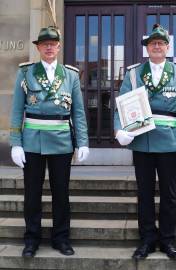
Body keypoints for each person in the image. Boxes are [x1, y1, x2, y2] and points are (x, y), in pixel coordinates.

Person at [114, 24, 176, 260]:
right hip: (143, 140)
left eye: (161, 43)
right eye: (153, 44)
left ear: (168, 47)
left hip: (170, 141)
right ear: (147, 48)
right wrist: (119, 130)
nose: (157, 46)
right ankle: (147, 239)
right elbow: (122, 103)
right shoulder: (134, 73)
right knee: (145, 192)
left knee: (169, 194)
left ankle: (168, 240)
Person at [9, 26, 89, 258]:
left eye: (53, 43)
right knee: (32, 194)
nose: (49, 47)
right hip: (32, 141)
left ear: (59, 46)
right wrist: (15, 142)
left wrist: (82, 141)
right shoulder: (26, 73)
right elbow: (16, 110)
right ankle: (32, 239)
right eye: (44, 44)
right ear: (38, 48)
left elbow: (79, 112)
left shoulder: (71, 75)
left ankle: (61, 238)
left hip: (62, 142)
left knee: (61, 193)